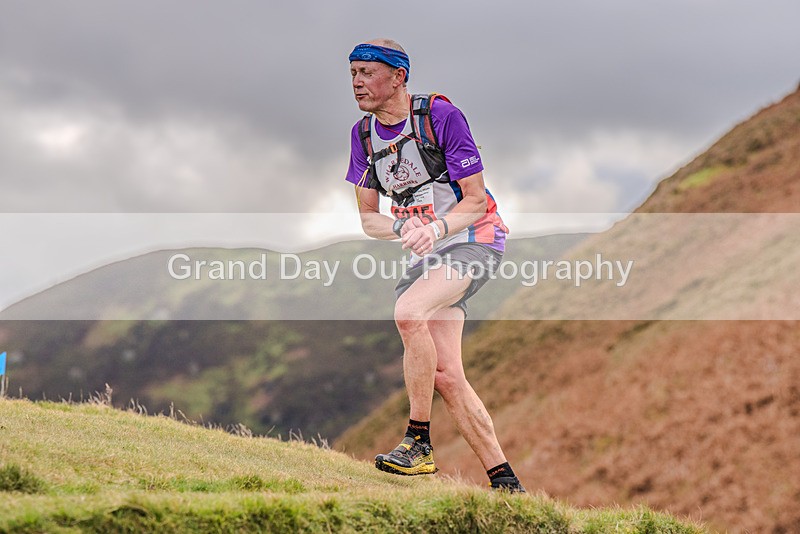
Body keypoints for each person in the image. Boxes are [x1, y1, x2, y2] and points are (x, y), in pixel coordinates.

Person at [344, 38, 525, 493]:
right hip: (429, 250)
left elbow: (476, 199)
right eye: (352, 74)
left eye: (367, 72)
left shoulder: (441, 117)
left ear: (399, 76)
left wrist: (436, 229)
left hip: (474, 239)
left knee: (408, 313)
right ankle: (506, 484)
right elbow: (368, 218)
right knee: (446, 375)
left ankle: (418, 443)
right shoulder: (362, 135)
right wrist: (401, 227)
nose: (357, 82)